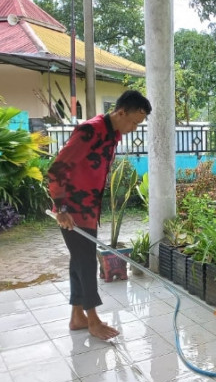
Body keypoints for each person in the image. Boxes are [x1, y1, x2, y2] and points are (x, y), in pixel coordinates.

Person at [48, 90, 152, 340]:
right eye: (134, 122)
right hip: (71, 211)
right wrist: (61, 208)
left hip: (88, 210)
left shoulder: (112, 134)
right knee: (85, 261)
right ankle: (93, 320)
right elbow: (57, 169)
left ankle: (77, 316)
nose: (134, 128)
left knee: (78, 260)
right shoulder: (89, 131)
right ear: (121, 112)